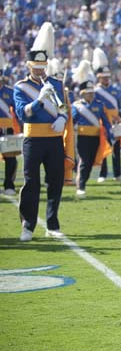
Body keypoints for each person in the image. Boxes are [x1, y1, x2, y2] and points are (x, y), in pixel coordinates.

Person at [13, 22, 68, 241]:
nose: (39, 70)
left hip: (54, 139)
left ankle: (52, 224)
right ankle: (28, 225)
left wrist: (63, 118)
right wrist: (39, 101)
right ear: (29, 66)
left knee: (55, 182)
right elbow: (22, 114)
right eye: (36, 66)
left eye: (42, 66)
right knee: (31, 183)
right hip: (33, 139)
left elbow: (64, 107)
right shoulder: (21, 87)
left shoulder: (55, 83)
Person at [71, 60, 114, 197]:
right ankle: (80, 185)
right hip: (83, 137)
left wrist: (110, 133)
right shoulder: (77, 106)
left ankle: (83, 182)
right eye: (87, 93)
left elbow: (105, 122)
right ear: (82, 93)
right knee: (84, 161)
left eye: (92, 92)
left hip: (96, 137)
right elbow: (72, 121)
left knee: (90, 162)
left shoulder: (99, 105)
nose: (90, 95)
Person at [93, 47, 121, 182]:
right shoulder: (95, 91)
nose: (106, 79)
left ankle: (118, 173)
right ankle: (102, 174)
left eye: (107, 77)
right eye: (103, 78)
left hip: (115, 121)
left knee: (116, 149)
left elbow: (119, 105)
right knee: (103, 147)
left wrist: (119, 116)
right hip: (103, 121)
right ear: (99, 78)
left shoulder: (115, 90)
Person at [0, 58, 19, 196]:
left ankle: (9, 185)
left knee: (10, 158)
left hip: (7, 129)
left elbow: (17, 110)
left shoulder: (9, 91)